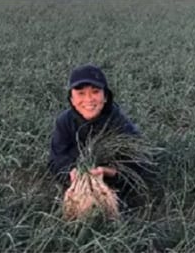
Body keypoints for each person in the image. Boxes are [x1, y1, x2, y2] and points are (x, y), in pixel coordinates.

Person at [48, 65, 146, 207]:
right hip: (76, 179)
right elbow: (55, 159)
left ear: (105, 97)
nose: (88, 99)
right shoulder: (65, 121)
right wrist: (72, 172)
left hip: (111, 182)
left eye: (95, 92)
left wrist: (108, 172)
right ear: (72, 99)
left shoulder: (118, 122)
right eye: (81, 93)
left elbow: (138, 164)